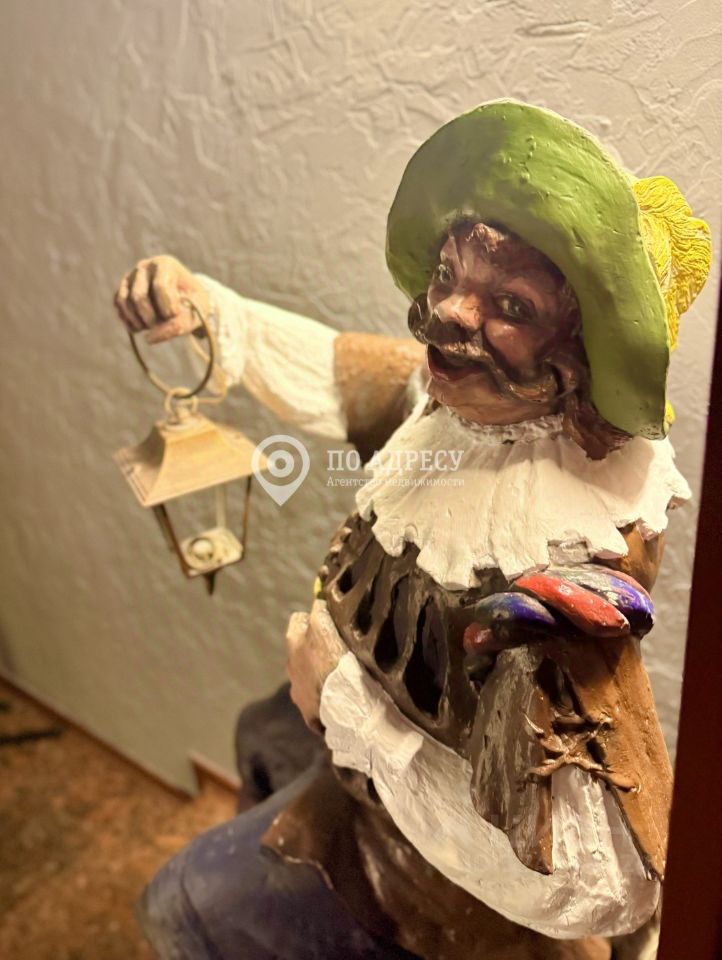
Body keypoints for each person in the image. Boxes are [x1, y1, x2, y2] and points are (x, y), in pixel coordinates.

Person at [114, 100, 711, 960]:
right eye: (447, 275)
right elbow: (337, 370)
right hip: (349, 741)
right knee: (260, 734)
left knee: (179, 907)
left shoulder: (563, 570)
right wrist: (208, 311)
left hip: (432, 884)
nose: (452, 313)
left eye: (510, 302)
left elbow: (599, 884)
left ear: (583, 355)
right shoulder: (465, 400)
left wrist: (340, 702)